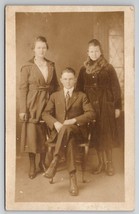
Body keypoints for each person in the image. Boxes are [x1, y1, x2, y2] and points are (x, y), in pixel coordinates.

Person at [42, 67, 95, 196]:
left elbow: (91, 114)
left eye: (71, 79)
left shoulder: (82, 96)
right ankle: (73, 179)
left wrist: (74, 120)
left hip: (78, 132)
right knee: (69, 140)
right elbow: (45, 114)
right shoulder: (55, 96)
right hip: (61, 133)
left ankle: (54, 162)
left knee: (68, 130)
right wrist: (55, 123)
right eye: (65, 79)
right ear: (61, 80)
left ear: (75, 80)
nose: (68, 82)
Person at [76, 39, 121, 176]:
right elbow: (78, 89)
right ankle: (101, 163)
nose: (94, 54)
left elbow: (116, 88)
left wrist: (117, 107)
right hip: (91, 108)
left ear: (100, 52)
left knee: (106, 134)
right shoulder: (84, 69)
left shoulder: (108, 68)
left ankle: (110, 164)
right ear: (87, 52)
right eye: (91, 51)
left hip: (106, 106)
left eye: (96, 51)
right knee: (96, 135)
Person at [19, 36, 59, 179]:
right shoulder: (27, 67)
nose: (41, 50)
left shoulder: (51, 65)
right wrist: (23, 110)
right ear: (34, 49)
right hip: (33, 103)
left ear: (46, 49)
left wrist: (56, 104)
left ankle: (42, 162)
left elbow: (56, 86)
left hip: (48, 102)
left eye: (44, 47)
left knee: (44, 134)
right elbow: (23, 89)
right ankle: (32, 165)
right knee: (32, 134)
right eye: (38, 48)